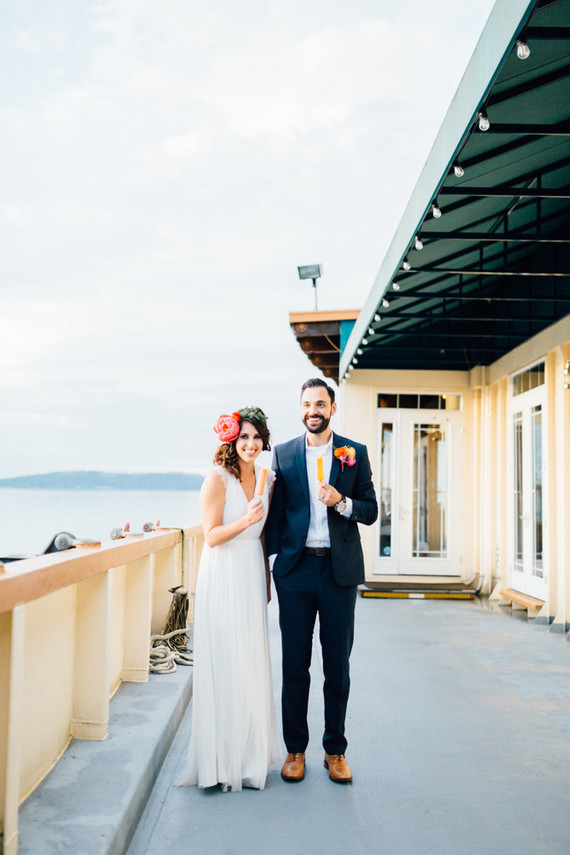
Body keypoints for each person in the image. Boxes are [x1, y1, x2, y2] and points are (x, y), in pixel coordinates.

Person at [265, 379, 377, 785]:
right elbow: (276, 515)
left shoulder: (354, 454)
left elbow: (371, 510)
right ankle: (295, 750)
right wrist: (277, 563)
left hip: (338, 573)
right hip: (294, 574)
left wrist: (341, 503)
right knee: (294, 665)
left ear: (333, 407)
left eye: (321, 403)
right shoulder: (284, 454)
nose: (314, 410)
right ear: (300, 409)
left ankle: (336, 751)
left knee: (337, 667)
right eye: (307, 404)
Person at [176, 406, 280, 792]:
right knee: (225, 659)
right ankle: (220, 762)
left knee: (251, 659)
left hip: (251, 570)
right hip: (222, 571)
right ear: (231, 441)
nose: (250, 444)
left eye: (256, 437)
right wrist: (246, 521)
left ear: (263, 441)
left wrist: (268, 578)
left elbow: (266, 535)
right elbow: (212, 535)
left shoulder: (267, 478)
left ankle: (250, 757)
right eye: (244, 438)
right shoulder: (217, 478)